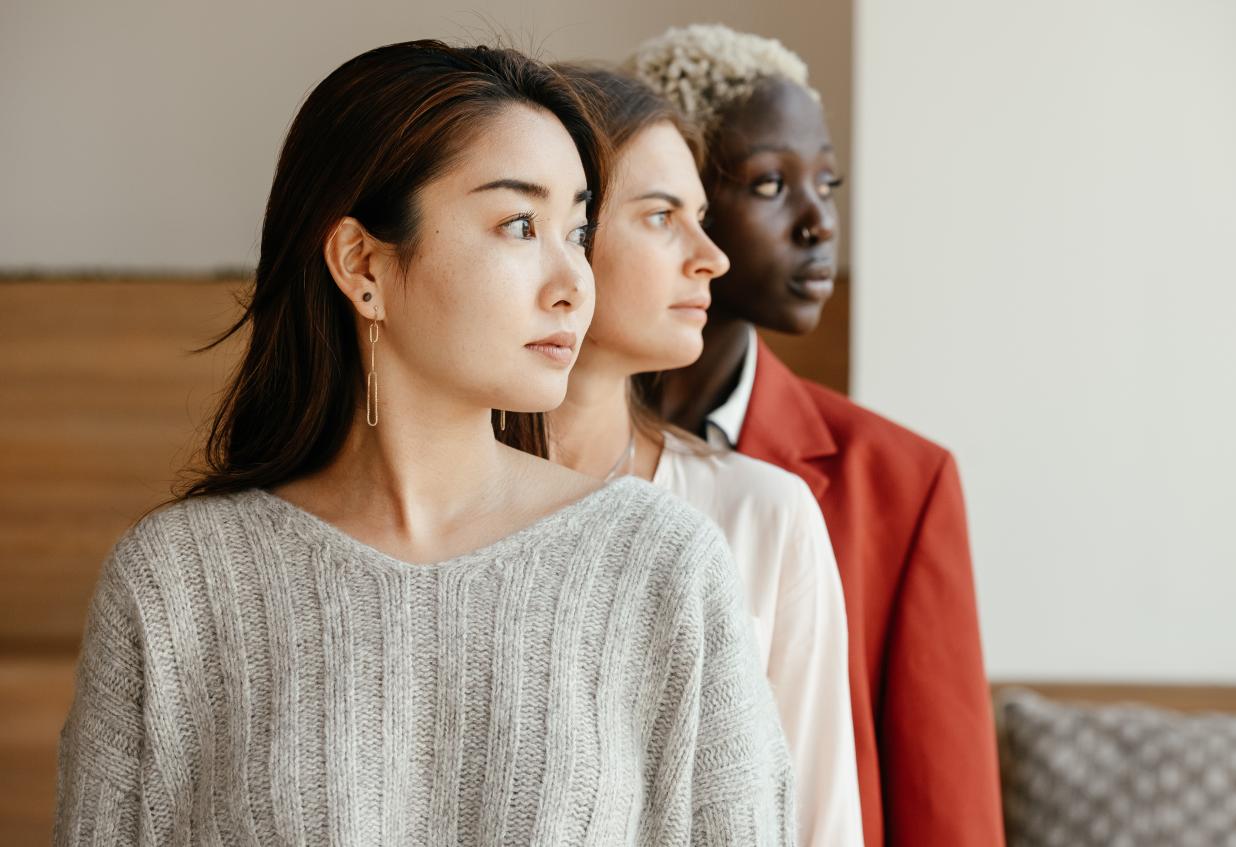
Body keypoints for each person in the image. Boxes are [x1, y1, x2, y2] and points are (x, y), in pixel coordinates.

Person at [54, 39, 795, 845]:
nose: (574, 281)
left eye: (577, 230)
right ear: (361, 262)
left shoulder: (662, 566)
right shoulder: (177, 587)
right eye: (519, 223)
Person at [628, 25, 1005, 847]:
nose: (819, 223)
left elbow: (949, 812)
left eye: (826, 183)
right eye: (770, 184)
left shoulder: (901, 481)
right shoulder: (519, 455)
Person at [548, 67, 864, 847]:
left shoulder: (767, 513)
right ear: (564, 232)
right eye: (662, 216)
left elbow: (820, 826)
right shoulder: (425, 509)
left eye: (702, 214)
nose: (711, 258)